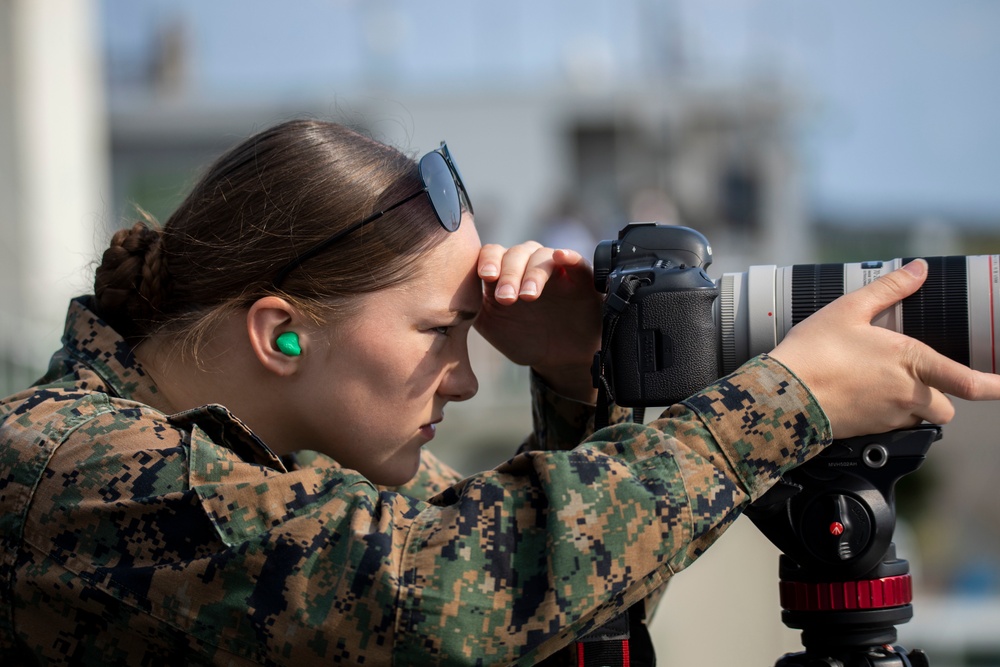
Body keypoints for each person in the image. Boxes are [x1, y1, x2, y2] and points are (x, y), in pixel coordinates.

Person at [1, 119, 997, 667]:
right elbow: (439, 601)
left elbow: (555, 603)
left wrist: (577, 375)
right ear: (280, 332)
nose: (469, 373)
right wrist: (783, 403)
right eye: (443, 330)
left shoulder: (288, 467)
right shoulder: (65, 466)